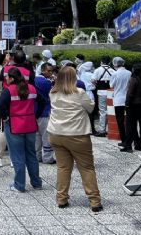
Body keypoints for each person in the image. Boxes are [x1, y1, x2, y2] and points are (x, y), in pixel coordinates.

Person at [48, 66, 102, 212]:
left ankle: (61, 199)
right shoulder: (79, 93)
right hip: (77, 135)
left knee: (63, 168)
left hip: (56, 134)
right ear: (74, 78)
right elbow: (90, 108)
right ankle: (94, 201)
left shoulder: (53, 92)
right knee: (86, 168)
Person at [0, 67, 42, 192]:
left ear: (11, 78)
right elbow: (43, 102)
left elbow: (0, 104)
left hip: (14, 126)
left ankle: (19, 185)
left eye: (7, 76)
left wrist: (5, 117)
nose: (6, 78)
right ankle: (36, 183)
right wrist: (36, 115)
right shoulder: (31, 88)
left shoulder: (8, 91)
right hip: (30, 125)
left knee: (18, 156)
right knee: (31, 154)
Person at [120, 64, 141, 152]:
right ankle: (140, 144)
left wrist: (127, 104)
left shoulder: (134, 79)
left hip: (133, 105)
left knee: (130, 126)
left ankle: (128, 145)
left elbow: (130, 93)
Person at [35, 63, 56, 164]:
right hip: (45, 111)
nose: (50, 73)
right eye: (49, 71)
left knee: (36, 136)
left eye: (51, 71)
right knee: (46, 136)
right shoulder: (47, 82)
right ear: (43, 70)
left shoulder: (33, 80)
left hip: (34, 111)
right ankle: (47, 158)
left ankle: (37, 156)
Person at [109, 56, 131, 145]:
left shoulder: (115, 74)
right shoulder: (129, 73)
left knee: (120, 120)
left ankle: (123, 140)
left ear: (115, 64)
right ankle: (130, 139)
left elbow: (111, 85)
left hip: (118, 99)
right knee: (129, 121)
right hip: (128, 98)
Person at [91, 56, 114, 137]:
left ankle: (102, 130)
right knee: (110, 111)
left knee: (102, 111)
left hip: (101, 92)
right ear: (109, 62)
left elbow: (93, 80)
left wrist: (96, 84)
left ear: (101, 62)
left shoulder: (98, 70)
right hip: (111, 92)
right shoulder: (112, 70)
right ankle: (109, 129)